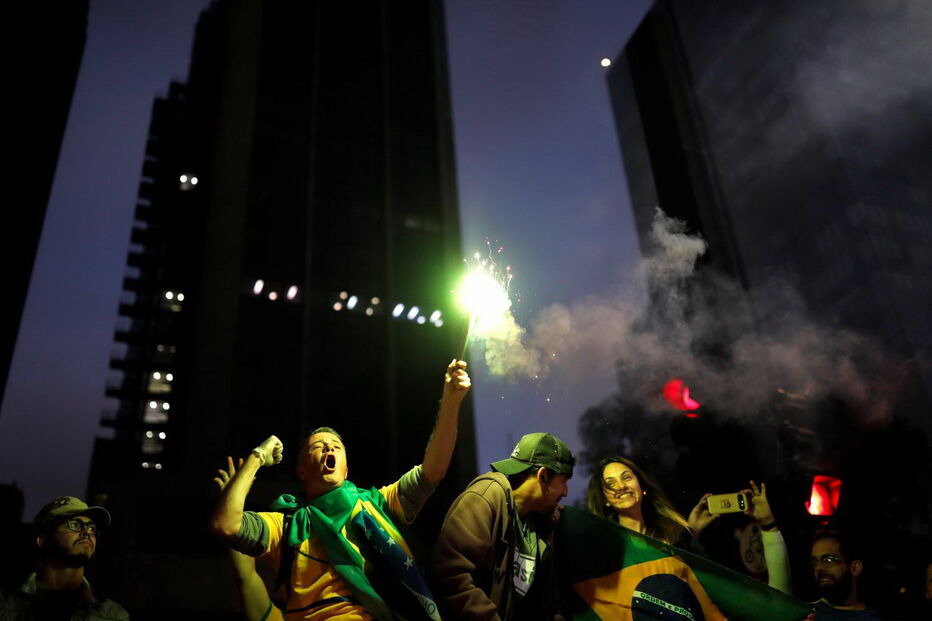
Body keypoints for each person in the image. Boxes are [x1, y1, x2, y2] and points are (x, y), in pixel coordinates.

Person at [211, 359, 470, 620]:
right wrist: (257, 457)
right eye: (317, 446)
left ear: (346, 470)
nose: (328, 447)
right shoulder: (287, 526)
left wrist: (450, 402)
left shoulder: (376, 503)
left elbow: (432, 472)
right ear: (301, 471)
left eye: (336, 445)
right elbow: (227, 526)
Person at [431, 432, 576, 620]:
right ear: (543, 475)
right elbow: (450, 576)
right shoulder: (484, 499)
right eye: (563, 481)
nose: (565, 492)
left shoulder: (537, 521)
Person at [0, 496, 130, 620]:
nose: (87, 532)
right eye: (74, 525)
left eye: (92, 528)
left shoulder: (113, 615)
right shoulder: (5, 604)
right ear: (43, 541)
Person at [808, 529, 881, 619]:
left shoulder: (875, 617)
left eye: (829, 560)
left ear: (855, 568)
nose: (819, 568)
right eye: (815, 562)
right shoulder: (805, 612)